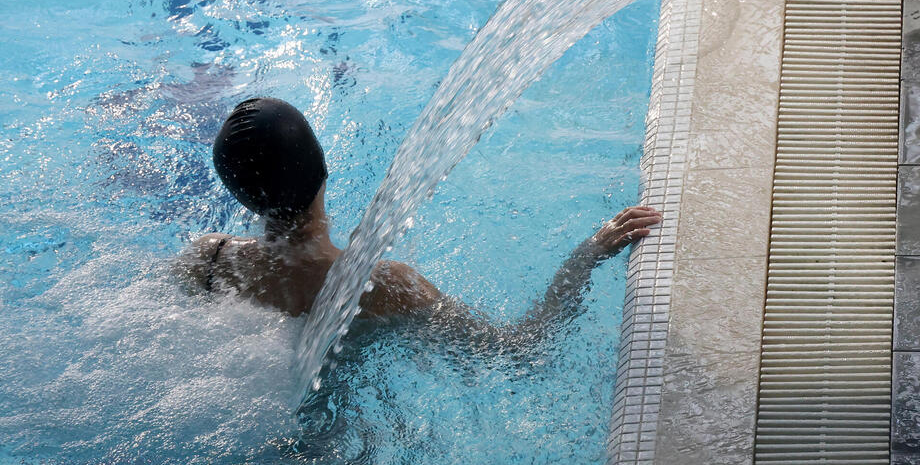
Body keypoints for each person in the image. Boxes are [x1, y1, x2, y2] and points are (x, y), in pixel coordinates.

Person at [179, 97, 660, 341]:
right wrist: (587, 256)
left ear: (242, 195)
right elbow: (518, 348)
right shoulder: (380, 285)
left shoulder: (207, 261)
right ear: (322, 170)